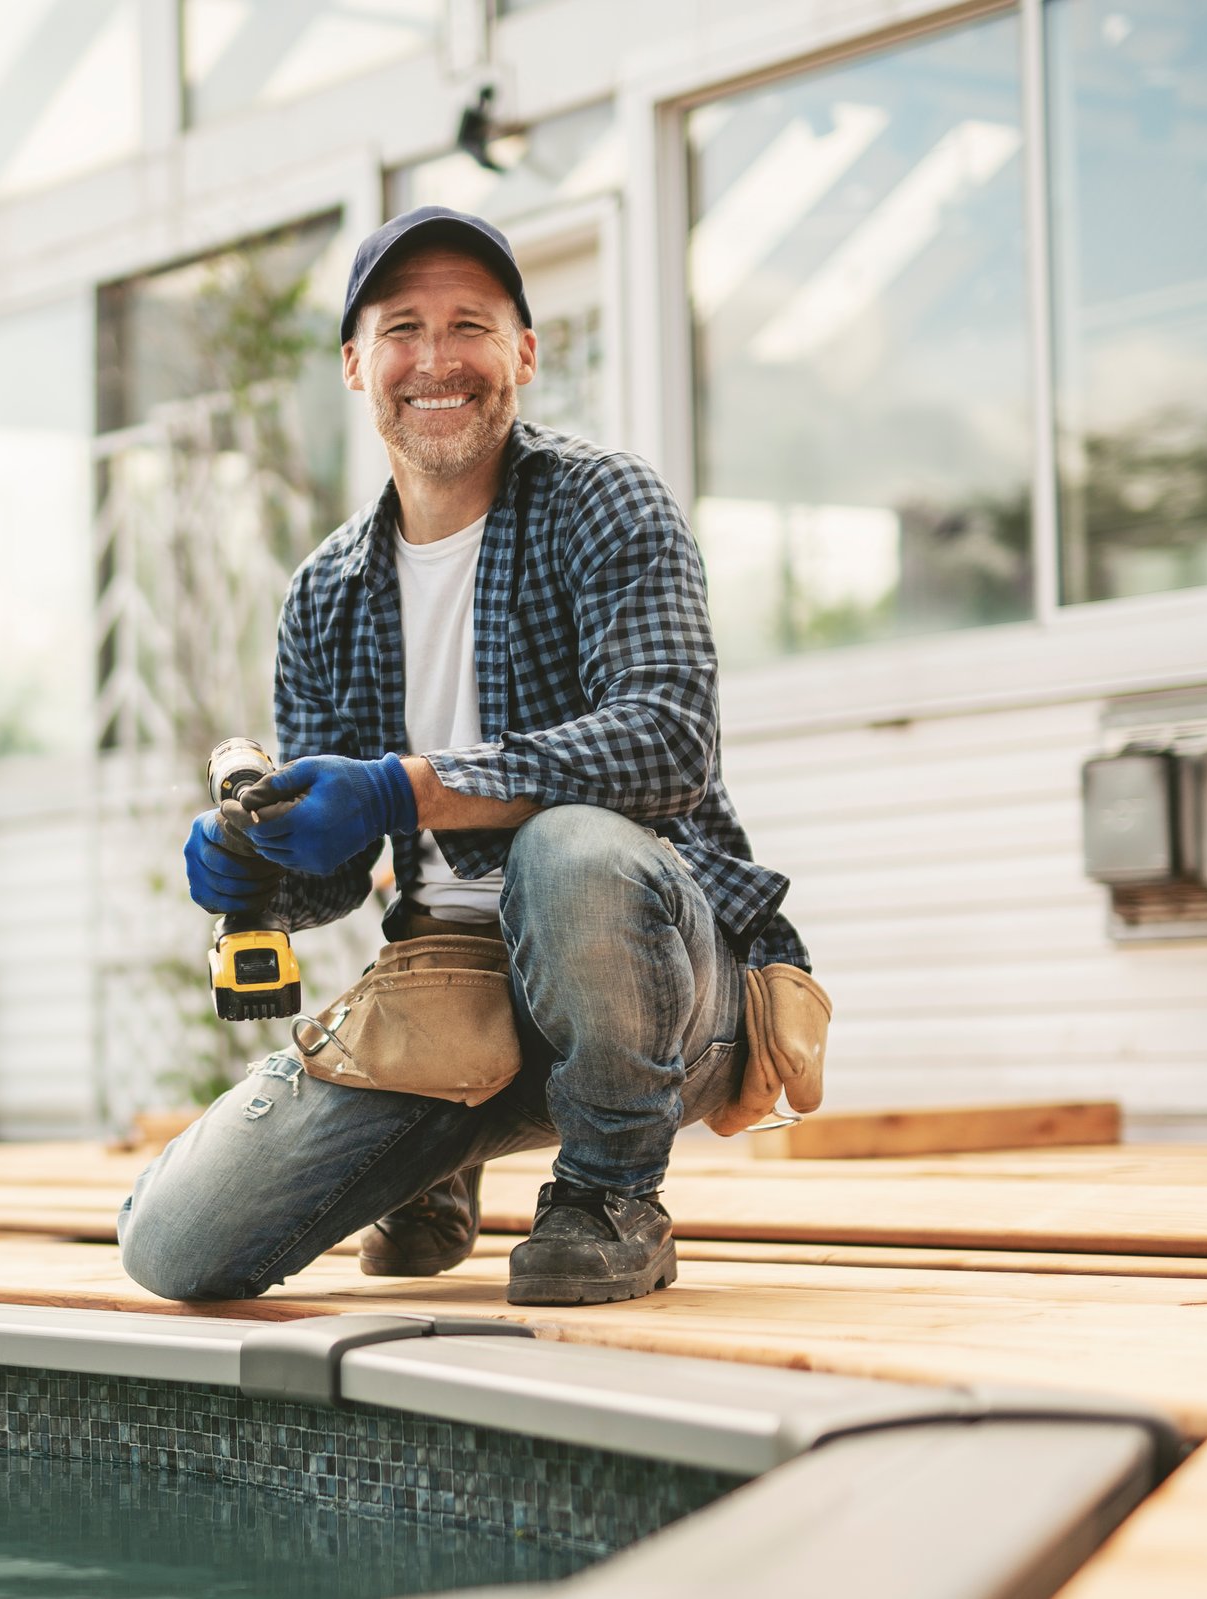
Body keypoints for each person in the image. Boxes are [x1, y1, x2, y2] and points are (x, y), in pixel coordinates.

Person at [118, 206, 810, 1308]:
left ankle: (609, 1194)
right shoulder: (327, 595)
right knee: (179, 1248)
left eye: (471, 326)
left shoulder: (605, 504)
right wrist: (259, 866)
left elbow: (669, 738)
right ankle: (437, 1151)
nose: (437, 359)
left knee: (568, 851)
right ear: (355, 363)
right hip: (452, 981)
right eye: (403, 328)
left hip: (668, 983)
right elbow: (337, 874)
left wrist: (411, 787)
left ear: (523, 354)